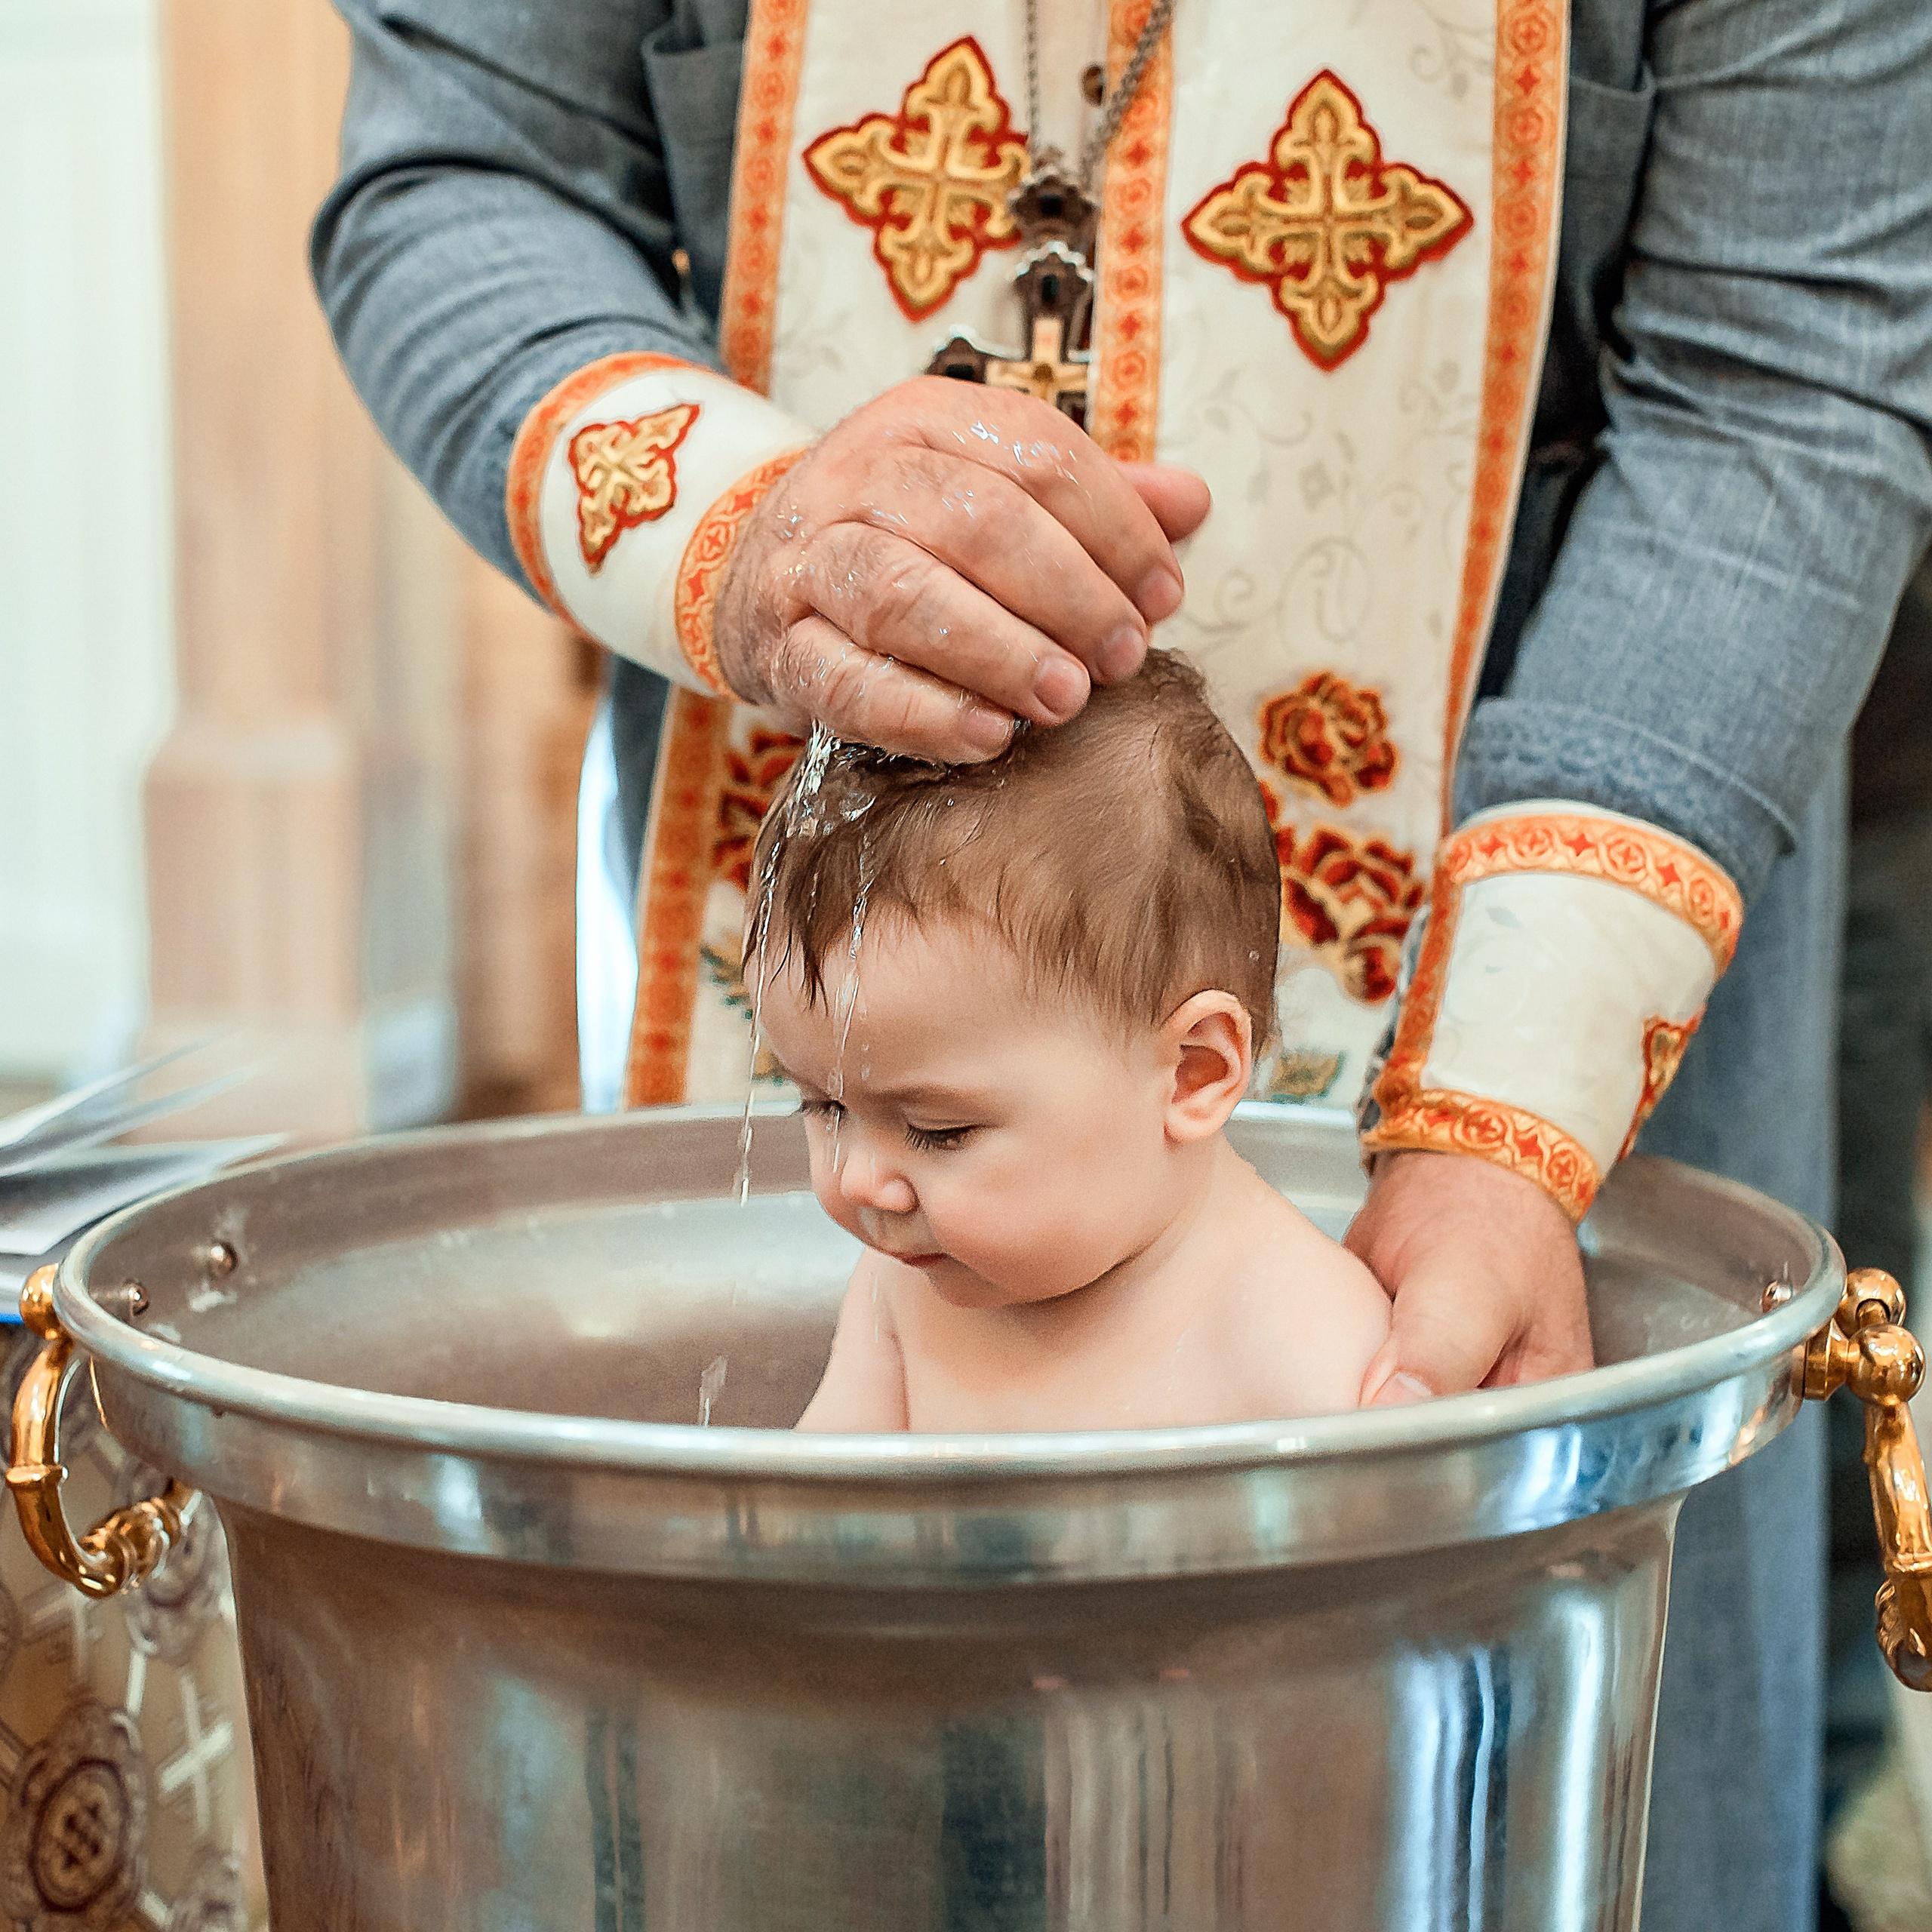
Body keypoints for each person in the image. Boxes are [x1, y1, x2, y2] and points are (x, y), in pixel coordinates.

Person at [310, 1, 1932, 1921]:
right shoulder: (876, 1231)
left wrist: (1501, 1109)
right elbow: (459, 170)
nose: (853, 1181)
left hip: (1539, 866)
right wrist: (751, 534)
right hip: (809, 847)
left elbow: (1784, 375)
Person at [758, 653, 1392, 1432]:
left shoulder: (1298, 1338)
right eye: (822, 1105)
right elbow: (813, 1531)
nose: (857, 1180)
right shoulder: (905, 1292)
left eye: (938, 1129)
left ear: (1192, 1072)